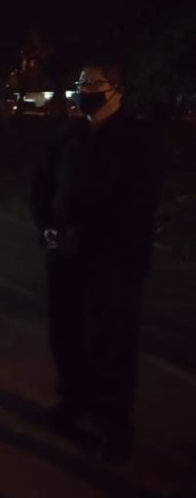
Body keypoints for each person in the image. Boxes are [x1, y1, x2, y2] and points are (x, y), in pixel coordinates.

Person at [30, 59, 163, 463]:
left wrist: (84, 234)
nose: (84, 91)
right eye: (81, 83)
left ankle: (114, 425)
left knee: (112, 341)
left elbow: (135, 204)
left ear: (117, 89)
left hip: (113, 260)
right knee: (66, 331)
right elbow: (42, 186)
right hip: (64, 252)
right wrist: (48, 228)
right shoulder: (68, 136)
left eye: (94, 84)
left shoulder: (136, 140)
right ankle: (74, 401)